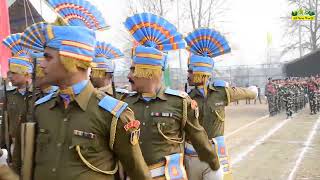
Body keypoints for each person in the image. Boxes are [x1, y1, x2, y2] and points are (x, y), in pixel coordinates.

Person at [15, 23, 152, 180]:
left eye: (48, 57)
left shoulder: (113, 114)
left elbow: (139, 174)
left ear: (69, 60)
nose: (41, 64)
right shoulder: (41, 109)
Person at [122, 13, 220, 179]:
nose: (129, 75)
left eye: (133, 70)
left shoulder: (179, 102)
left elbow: (199, 138)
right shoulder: (124, 103)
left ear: (147, 72)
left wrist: (214, 164)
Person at [184, 28, 257, 180]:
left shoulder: (220, 91)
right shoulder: (186, 98)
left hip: (216, 152)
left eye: (191, 71)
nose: (188, 75)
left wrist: (253, 91)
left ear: (201, 72)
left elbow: (241, 92)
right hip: (192, 154)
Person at [1, 33, 33, 157]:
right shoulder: (9, 95)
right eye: (9, 73)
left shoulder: (39, 95)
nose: (9, 76)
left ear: (26, 74)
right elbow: (5, 123)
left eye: (14, 73)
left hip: (33, 146)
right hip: (14, 146)